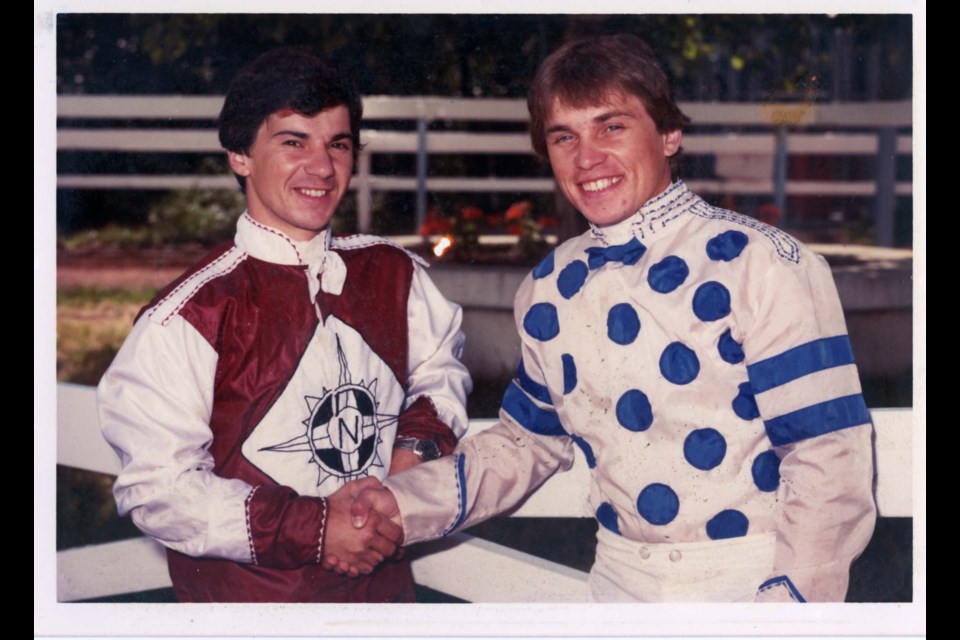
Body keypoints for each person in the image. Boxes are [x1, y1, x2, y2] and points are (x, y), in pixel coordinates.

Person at [342, 34, 876, 603]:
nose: (587, 158)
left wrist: (789, 605)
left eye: (611, 127)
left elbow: (827, 452)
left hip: (753, 580)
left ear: (669, 135)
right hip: (617, 586)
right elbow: (527, 443)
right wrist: (402, 503)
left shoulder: (762, 262)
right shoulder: (548, 286)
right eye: (564, 137)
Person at [97, 46, 472, 602]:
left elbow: (442, 373)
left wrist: (401, 472)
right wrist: (317, 529)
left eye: (338, 144)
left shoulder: (394, 275)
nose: (321, 167)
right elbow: (158, 488)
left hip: (385, 602)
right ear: (240, 155)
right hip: (250, 607)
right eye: (293, 141)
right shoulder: (190, 315)